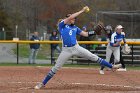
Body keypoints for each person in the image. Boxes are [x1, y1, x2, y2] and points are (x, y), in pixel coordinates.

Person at [34, 6, 121, 89]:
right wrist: (82, 11)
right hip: (66, 50)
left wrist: (94, 32)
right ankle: (43, 83)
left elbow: (86, 34)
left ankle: (112, 66)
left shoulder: (75, 28)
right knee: (56, 67)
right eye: (72, 18)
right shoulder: (62, 25)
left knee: (93, 57)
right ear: (67, 19)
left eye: (74, 18)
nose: (73, 19)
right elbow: (70, 17)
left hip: (76, 47)